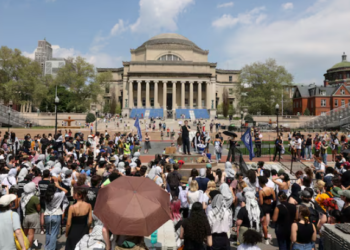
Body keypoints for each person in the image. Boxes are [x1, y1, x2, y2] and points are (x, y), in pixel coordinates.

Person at [44, 183, 69, 250]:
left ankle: (47, 247)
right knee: (54, 233)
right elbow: (66, 191)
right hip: (56, 214)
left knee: (48, 232)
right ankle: (51, 248)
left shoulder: (46, 195)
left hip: (47, 215)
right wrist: (58, 186)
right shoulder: (57, 195)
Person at [21, 182, 40, 249]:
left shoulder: (23, 196)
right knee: (31, 234)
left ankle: (22, 246)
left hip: (26, 216)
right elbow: (38, 208)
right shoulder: (34, 198)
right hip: (33, 216)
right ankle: (28, 247)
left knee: (24, 233)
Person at [258, 176, 276, 244]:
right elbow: (274, 199)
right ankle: (266, 235)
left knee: (264, 225)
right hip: (270, 206)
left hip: (264, 207)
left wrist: (258, 200)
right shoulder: (271, 189)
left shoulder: (261, 191)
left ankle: (266, 239)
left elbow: (261, 203)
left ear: (260, 182)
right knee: (266, 223)